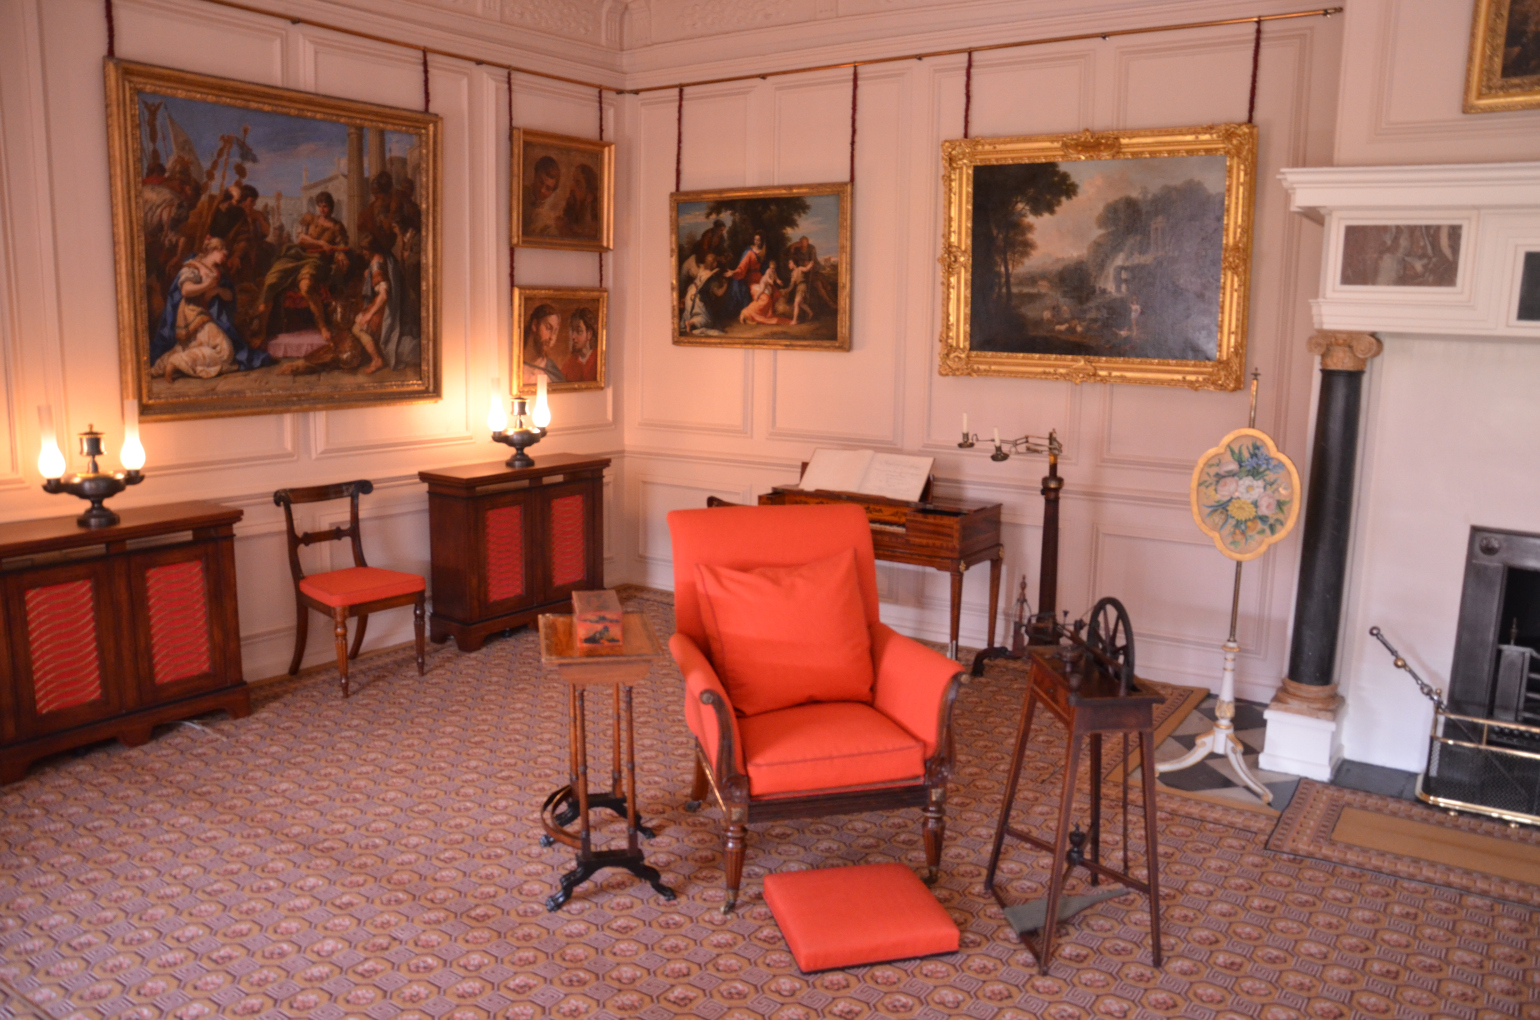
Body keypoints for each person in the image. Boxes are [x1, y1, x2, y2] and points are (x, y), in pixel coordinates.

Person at [149, 236, 273, 380]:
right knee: (225, 351)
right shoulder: (194, 266)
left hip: (207, 316)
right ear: (215, 250)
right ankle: (177, 361)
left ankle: (160, 367)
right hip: (194, 315)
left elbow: (229, 296)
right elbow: (186, 290)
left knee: (187, 347)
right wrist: (207, 286)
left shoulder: (217, 271)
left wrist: (218, 291)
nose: (226, 254)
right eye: (223, 251)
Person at [251, 191, 349, 346]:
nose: (322, 210)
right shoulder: (309, 218)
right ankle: (262, 330)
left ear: (331, 207)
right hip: (296, 255)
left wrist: (340, 254)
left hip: (317, 260)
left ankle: (322, 325)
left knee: (306, 286)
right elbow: (301, 239)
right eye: (320, 206)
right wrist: (321, 243)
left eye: (326, 206)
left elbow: (341, 245)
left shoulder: (337, 226)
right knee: (271, 281)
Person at [522, 303, 566, 383]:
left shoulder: (552, 372)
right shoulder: (515, 365)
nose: (551, 337)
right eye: (548, 328)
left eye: (555, 332)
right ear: (535, 325)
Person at [726, 232, 766, 319]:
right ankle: (749, 314)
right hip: (750, 278)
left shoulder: (764, 252)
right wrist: (734, 272)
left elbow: (766, 268)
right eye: (755, 239)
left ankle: (761, 313)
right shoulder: (749, 252)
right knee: (761, 296)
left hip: (760, 278)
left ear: (762, 241)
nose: (756, 242)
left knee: (773, 293)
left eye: (758, 240)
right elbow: (742, 267)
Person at [738, 260, 791, 326]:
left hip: (767, 285)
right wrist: (771, 282)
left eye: (773, 268)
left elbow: (776, 278)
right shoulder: (768, 271)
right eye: (771, 268)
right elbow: (768, 278)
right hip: (763, 283)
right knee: (762, 291)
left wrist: (779, 281)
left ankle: (759, 315)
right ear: (770, 267)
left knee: (771, 295)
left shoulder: (774, 272)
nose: (772, 269)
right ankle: (757, 296)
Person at [557, 164, 599, 239]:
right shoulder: (561, 224)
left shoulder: (595, 230)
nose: (571, 187)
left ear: (590, 195)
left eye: (578, 183)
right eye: (573, 181)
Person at [523, 156, 561, 237]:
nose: (542, 190)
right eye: (540, 182)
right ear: (535, 176)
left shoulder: (551, 215)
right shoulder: (521, 195)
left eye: (548, 188)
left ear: (552, 192)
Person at [560, 306, 600, 383]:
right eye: (572, 331)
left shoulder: (598, 358)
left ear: (589, 334)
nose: (573, 336)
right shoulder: (570, 363)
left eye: (579, 331)